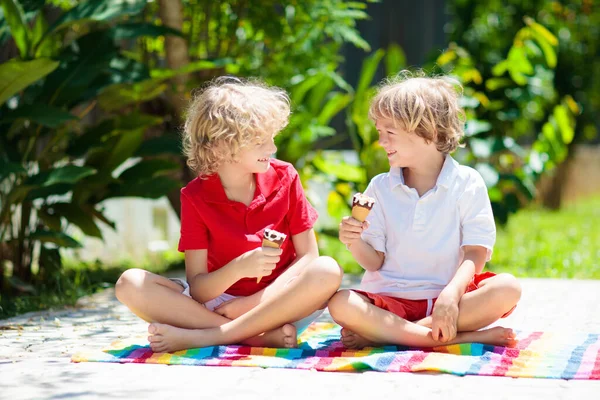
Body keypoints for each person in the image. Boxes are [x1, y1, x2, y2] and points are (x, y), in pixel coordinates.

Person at [115, 77, 342, 353]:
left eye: (271, 138)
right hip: (219, 307)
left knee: (328, 270)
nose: (271, 148)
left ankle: (214, 336)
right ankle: (252, 339)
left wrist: (253, 302)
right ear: (222, 146)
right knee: (129, 284)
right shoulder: (195, 196)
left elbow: (309, 258)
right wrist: (240, 268)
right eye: (260, 141)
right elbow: (198, 289)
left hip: (280, 304)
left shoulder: (286, 177)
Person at [329, 72, 521, 349]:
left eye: (389, 133)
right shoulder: (380, 187)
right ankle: (451, 338)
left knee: (508, 288)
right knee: (341, 303)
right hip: (389, 300)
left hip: (450, 300)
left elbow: (475, 252)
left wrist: (450, 296)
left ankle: (393, 335)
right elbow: (373, 262)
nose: (381, 142)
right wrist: (353, 240)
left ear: (428, 133)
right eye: (380, 132)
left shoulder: (467, 182)